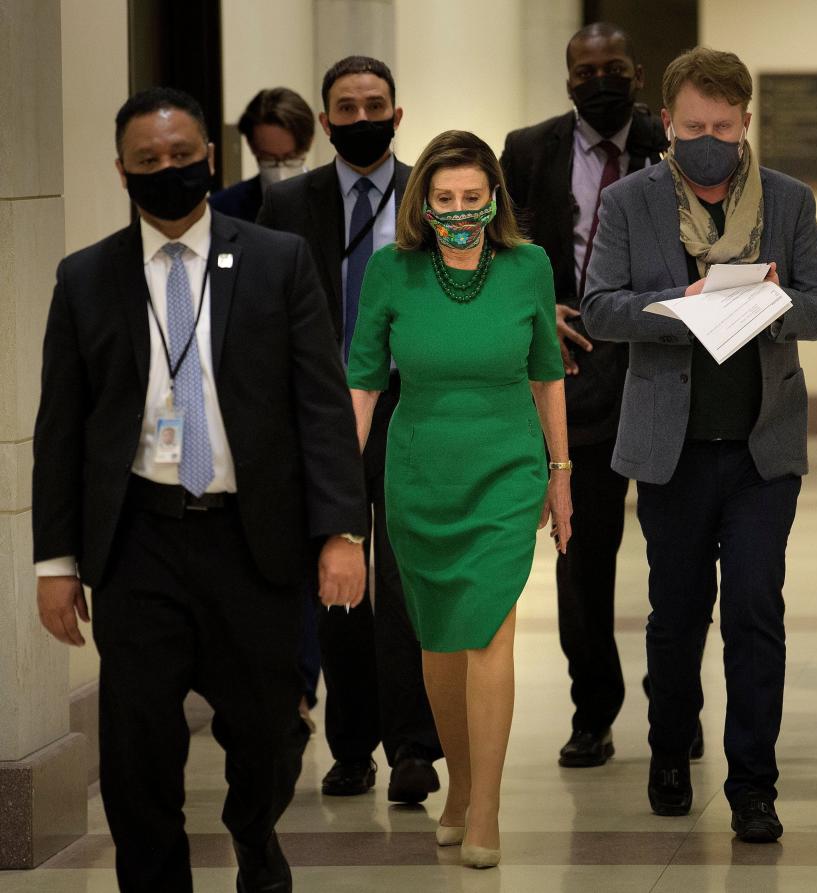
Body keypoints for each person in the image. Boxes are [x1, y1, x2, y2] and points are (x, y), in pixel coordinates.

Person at [32, 87, 367, 892]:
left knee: (267, 732)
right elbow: (61, 429)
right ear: (122, 172)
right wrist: (55, 562)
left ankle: (256, 835)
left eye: (182, 157)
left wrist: (341, 532)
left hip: (250, 537)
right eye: (148, 162)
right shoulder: (86, 279)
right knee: (136, 742)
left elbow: (320, 404)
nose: (168, 172)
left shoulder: (277, 260)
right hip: (138, 539)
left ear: (210, 159)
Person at [581, 47, 817, 842]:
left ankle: (754, 784)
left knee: (757, 610)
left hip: (764, 449)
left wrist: (770, 304)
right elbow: (600, 310)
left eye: (723, 126)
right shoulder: (631, 202)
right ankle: (668, 750)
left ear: (745, 125)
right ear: (668, 122)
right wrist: (680, 302)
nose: (708, 138)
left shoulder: (787, 202)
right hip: (673, 446)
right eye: (693, 125)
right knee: (677, 612)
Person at [347, 130, 571, 868]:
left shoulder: (528, 265)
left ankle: (489, 807)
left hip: (506, 467)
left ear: (495, 197)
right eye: (444, 199)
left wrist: (560, 470)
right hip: (419, 470)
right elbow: (365, 381)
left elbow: (547, 372)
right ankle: (461, 779)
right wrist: (346, 485)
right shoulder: (393, 270)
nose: (458, 210)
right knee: (438, 638)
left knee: (490, 631)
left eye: (473, 198)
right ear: (423, 203)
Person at [501, 21, 708, 769]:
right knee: (579, 559)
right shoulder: (529, 150)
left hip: (664, 369)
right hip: (575, 374)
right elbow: (504, 248)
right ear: (567, 80)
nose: (600, 81)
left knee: (678, 555)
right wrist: (535, 310)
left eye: (613, 68)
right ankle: (593, 710)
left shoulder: (678, 143)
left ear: (639, 71)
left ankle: (676, 709)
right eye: (585, 72)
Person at [258, 55, 443, 803]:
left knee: (404, 586)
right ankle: (352, 746)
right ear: (326, 118)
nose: (361, 118)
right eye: (346, 106)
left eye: (375, 105)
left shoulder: (430, 198)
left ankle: (413, 748)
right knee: (339, 582)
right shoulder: (288, 205)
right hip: (325, 413)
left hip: (412, 410)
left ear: (398, 115)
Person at [209, 86, 315, 222]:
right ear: (252, 146)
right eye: (269, 159)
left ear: (310, 143)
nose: (281, 174)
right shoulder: (221, 209)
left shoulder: (334, 202)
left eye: (290, 157)